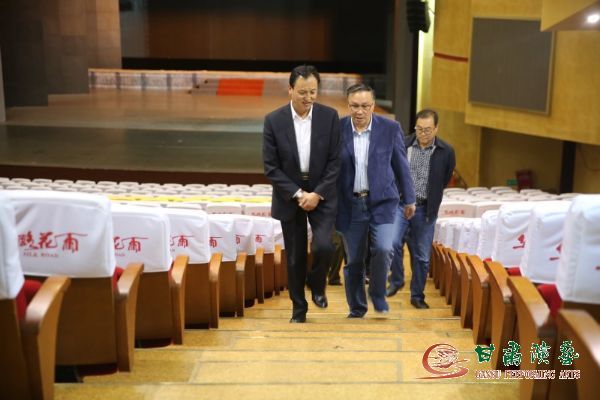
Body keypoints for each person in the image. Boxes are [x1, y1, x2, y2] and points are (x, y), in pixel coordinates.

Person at [263, 65, 341, 323]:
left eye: (313, 92)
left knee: (325, 246)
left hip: (322, 192)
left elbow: (335, 161)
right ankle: (299, 308)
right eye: (302, 92)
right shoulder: (274, 120)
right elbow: (271, 167)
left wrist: (316, 194)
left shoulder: (329, 117)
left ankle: (317, 283)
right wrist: (298, 194)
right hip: (290, 194)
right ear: (290, 90)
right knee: (295, 256)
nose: (308, 97)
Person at [336, 83, 415, 318]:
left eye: (365, 106)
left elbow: (401, 165)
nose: (359, 111)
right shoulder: (337, 129)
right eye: (354, 106)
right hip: (350, 204)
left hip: (383, 202)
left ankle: (378, 293)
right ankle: (357, 308)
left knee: (384, 247)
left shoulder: (390, 129)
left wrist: (409, 199)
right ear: (348, 105)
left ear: (373, 106)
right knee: (354, 260)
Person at [387, 109, 456, 309]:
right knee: (391, 243)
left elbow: (444, 179)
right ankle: (397, 279)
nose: (422, 133)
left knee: (422, 257)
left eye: (427, 130)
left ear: (436, 128)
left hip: (425, 210)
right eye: (419, 129)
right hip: (401, 205)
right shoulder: (403, 144)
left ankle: (417, 296)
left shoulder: (446, 151)